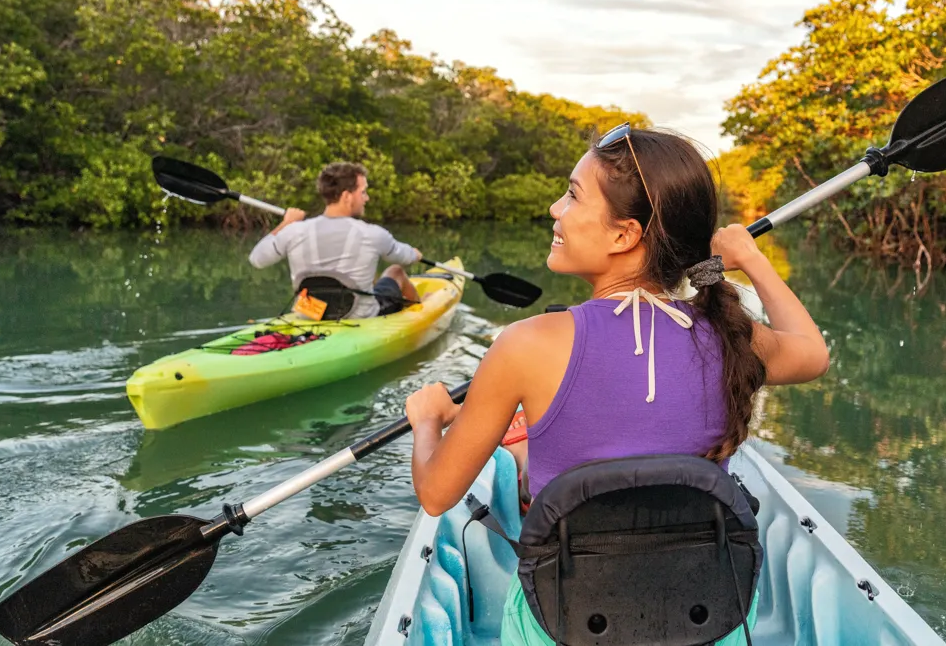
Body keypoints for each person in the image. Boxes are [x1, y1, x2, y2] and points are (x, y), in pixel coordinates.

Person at [402, 124, 831, 643]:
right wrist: (750, 259)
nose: (556, 210)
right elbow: (812, 353)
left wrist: (428, 421)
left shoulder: (525, 344)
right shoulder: (731, 335)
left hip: (569, 624)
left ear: (625, 234)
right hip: (705, 620)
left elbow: (436, 493)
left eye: (573, 195)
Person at [248, 161, 423, 319]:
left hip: (310, 315)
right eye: (363, 192)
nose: (366, 198)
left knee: (370, 279)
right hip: (359, 317)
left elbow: (257, 259)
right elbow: (405, 257)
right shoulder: (373, 234)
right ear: (347, 196)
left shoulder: (294, 230)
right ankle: (422, 312)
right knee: (395, 272)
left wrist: (286, 223)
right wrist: (415, 254)